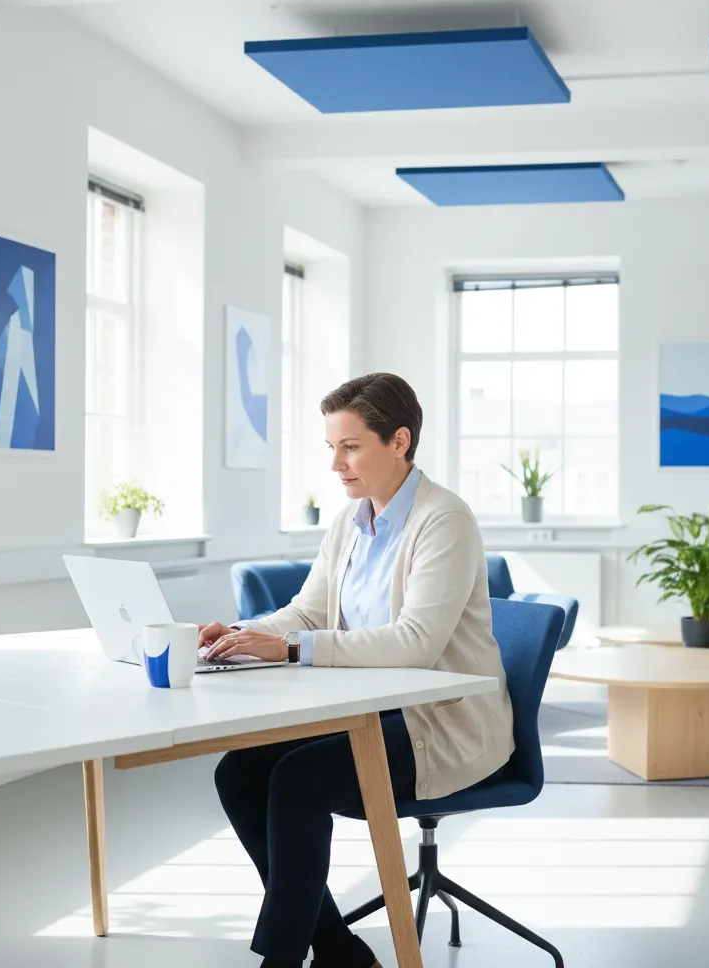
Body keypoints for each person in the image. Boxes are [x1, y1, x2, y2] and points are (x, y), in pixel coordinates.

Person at [198, 372, 514, 968]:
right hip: (369, 711)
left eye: (351, 447)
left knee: (298, 780)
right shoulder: (350, 519)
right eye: (331, 448)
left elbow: (417, 642)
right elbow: (308, 610)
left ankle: (284, 959)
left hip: (438, 725)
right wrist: (245, 633)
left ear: (399, 441)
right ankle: (339, 948)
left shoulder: (444, 520)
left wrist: (293, 650)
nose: (337, 465)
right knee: (240, 773)